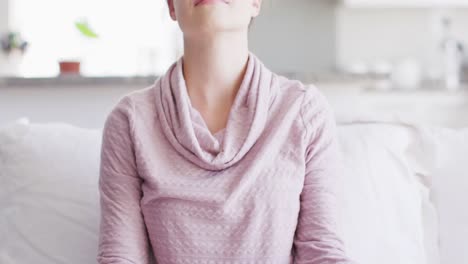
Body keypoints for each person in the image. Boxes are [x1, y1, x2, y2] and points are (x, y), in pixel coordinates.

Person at [97, 0, 355, 263]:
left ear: (255, 3)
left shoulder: (303, 111)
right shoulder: (130, 122)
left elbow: (322, 253)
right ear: (172, 7)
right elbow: (120, 256)